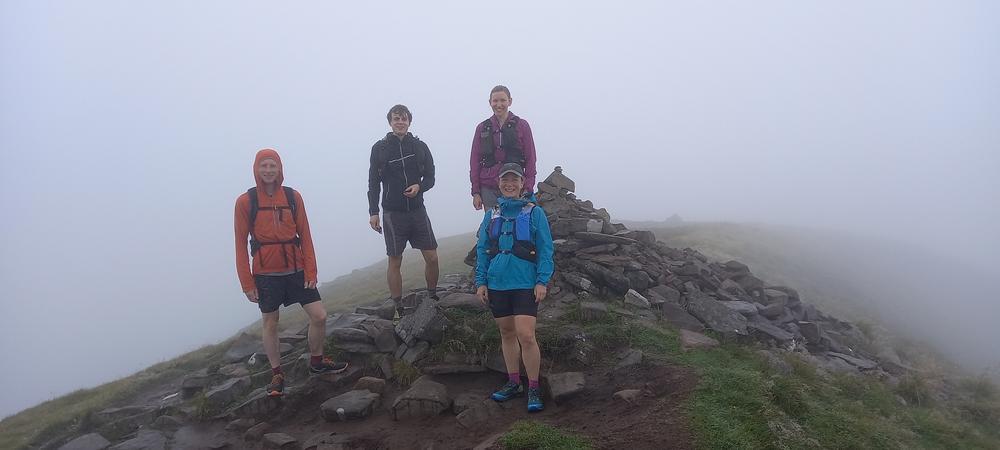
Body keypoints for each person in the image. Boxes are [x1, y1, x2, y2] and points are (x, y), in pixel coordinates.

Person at [235, 148, 347, 397]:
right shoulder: (246, 202)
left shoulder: (293, 197)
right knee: (270, 322)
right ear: (256, 169)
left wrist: (311, 270)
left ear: (280, 169)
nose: (268, 170)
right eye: (264, 166)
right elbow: (240, 244)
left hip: (296, 269)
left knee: (319, 315)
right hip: (265, 274)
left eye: (272, 165)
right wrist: (246, 283)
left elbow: (305, 235)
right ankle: (277, 374)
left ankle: (317, 362)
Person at [475, 163, 554, 413]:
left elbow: (546, 249)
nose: (509, 184)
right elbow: (482, 249)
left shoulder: (534, 213)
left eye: (514, 180)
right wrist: (481, 282)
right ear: (499, 183)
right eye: (505, 180)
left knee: (526, 335)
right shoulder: (492, 215)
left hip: (525, 282)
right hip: (497, 282)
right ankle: (513, 382)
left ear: (522, 184)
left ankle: (533, 387)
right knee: (507, 333)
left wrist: (542, 280)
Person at [367, 104, 440, 315]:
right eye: (396, 118)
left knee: (432, 257)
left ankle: (432, 296)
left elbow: (431, 177)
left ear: (409, 121)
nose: (400, 122)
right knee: (395, 260)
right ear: (390, 122)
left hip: (417, 210)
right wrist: (373, 212)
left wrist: (420, 187)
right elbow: (373, 182)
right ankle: (398, 306)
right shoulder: (380, 149)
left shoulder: (420, 146)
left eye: (404, 118)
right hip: (393, 213)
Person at [469, 85, 538, 210]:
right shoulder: (482, 128)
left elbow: (531, 158)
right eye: (495, 101)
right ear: (490, 102)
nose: (498, 104)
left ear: (510, 101)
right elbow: (474, 161)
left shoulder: (522, 125)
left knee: (515, 220)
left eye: (503, 100)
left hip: (514, 187)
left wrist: (528, 187)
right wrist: (476, 192)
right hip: (488, 188)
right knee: (492, 221)